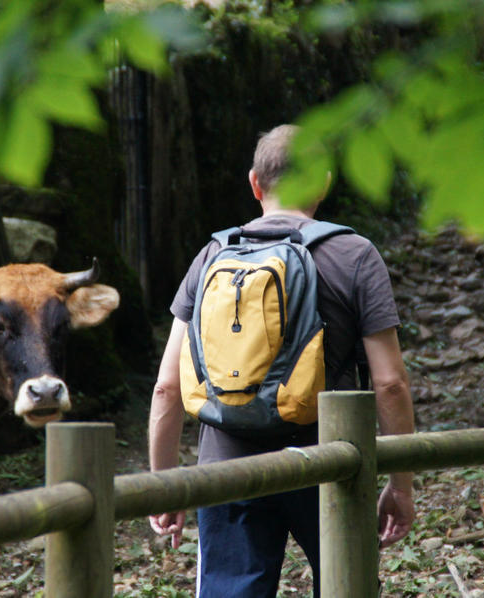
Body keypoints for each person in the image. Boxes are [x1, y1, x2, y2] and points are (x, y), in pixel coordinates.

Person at [148, 124, 416, 598]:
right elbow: (390, 382)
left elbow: (167, 387)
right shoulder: (354, 255)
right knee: (346, 586)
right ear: (324, 182)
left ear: (255, 183)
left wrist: (166, 483)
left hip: (227, 465)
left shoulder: (212, 255)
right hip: (331, 459)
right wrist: (400, 485)